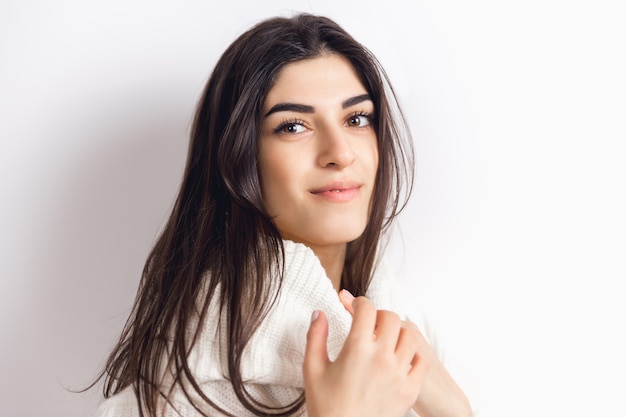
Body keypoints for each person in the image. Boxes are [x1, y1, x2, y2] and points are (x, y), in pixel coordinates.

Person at [91, 13, 473, 417]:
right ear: (239, 160)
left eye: (356, 119)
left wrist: (454, 409)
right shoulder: (167, 401)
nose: (340, 153)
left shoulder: (411, 338)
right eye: (293, 126)